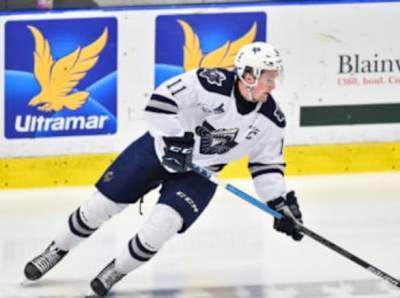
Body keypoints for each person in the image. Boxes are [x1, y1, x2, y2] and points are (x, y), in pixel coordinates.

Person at [23, 41, 304, 297]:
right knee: (99, 207)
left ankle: (116, 270)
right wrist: (175, 139)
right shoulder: (211, 82)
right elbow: (161, 100)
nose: (273, 86)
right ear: (249, 76)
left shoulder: (271, 120)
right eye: (269, 79)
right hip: (157, 151)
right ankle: (56, 250)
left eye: (274, 79)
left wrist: (279, 203)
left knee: (162, 227)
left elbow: (266, 165)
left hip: (200, 172)